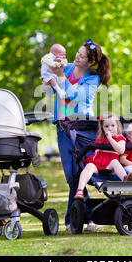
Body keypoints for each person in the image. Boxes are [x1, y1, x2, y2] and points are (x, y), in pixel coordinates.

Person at [41, 39, 111, 232]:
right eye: (77, 53)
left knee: (80, 171)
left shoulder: (92, 78)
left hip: (83, 126)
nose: (76, 57)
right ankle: (85, 217)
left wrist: (60, 76)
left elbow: (73, 96)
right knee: (72, 174)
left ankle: (74, 219)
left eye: (81, 56)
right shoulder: (68, 68)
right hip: (64, 126)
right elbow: (48, 84)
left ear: (90, 62)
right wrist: (49, 77)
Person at [74, 112, 132, 199]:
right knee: (89, 166)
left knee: (115, 162)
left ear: (117, 126)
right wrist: (106, 137)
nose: (110, 128)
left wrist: (110, 138)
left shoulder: (120, 138)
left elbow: (121, 150)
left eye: (112, 125)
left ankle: (126, 179)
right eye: (106, 126)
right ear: (102, 128)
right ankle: (80, 190)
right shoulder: (100, 138)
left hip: (109, 165)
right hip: (96, 163)